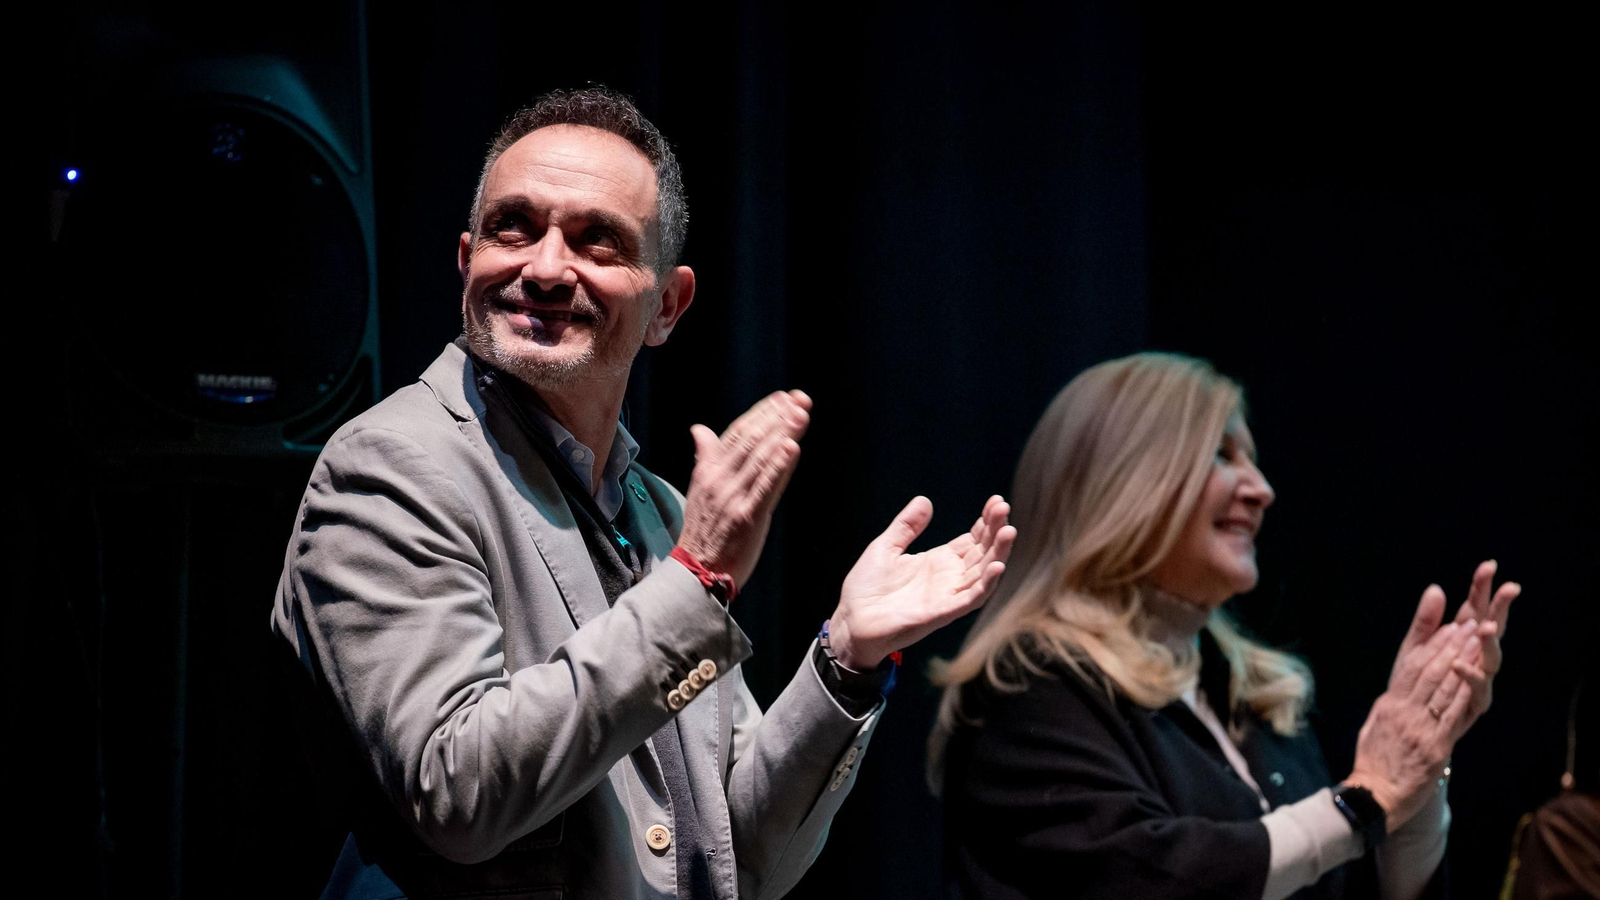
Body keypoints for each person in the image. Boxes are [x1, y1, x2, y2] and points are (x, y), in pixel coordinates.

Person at [272, 87, 1016, 900]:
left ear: (667, 306)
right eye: (513, 227)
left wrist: (846, 660)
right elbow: (457, 792)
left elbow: (740, 855)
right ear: (465, 262)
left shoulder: (657, 509)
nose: (544, 268)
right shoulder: (390, 466)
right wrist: (695, 581)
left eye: (597, 241)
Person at [930, 352, 1519, 900]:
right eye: (1222, 454)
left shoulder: (1252, 693)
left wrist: (1416, 770)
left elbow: (1345, 880)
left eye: (1252, 460)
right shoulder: (1029, 684)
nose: (1262, 490)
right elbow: (1149, 878)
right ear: (1124, 482)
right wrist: (1365, 801)